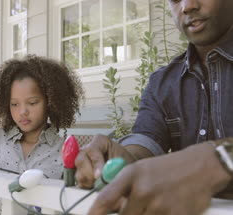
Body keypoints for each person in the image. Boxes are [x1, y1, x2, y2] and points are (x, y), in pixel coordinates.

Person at [75, 0, 233, 214]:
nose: (187, 6)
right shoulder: (162, 83)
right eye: (175, 0)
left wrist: (218, 159)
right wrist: (123, 159)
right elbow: (146, 140)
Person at [0, 55, 84, 179]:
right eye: (14, 104)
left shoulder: (63, 150)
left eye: (32, 103)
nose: (22, 111)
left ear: (51, 102)